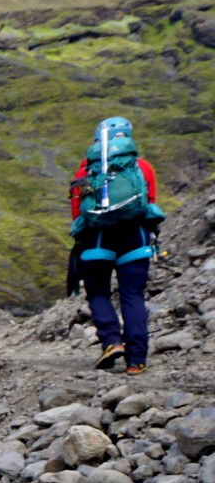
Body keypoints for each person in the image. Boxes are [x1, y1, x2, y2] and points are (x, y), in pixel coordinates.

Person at [68, 117, 165, 375]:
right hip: (136, 237)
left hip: (96, 239)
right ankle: (136, 361)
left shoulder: (85, 171)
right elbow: (150, 203)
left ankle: (112, 342)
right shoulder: (142, 167)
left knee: (98, 293)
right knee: (131, 296)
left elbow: (77, 212)